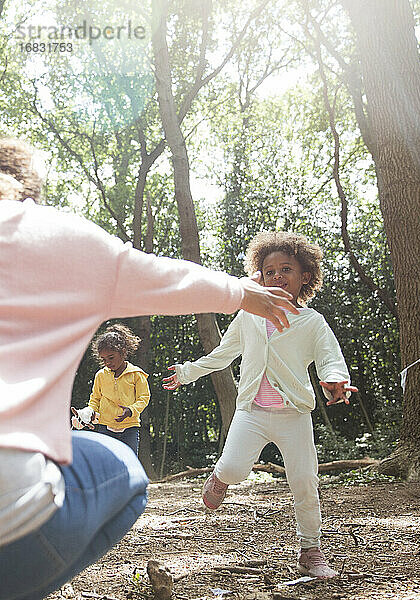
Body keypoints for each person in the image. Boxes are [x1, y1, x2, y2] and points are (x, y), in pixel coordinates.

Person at [0, 137, 299, 600]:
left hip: (139, 423)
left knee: (117, 449)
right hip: (15, 524)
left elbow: (148, 392)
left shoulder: (135, 375)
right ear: (27, 191)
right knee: (122, 469)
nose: (108, 361)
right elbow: (164, 278)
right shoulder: (45, 234)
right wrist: (240, 293)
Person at [163, 231, 358, 579]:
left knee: (304, 481)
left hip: (293, 415)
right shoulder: (249, 316)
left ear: (305, 277)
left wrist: (334, 382)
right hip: (251, 412)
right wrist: (187, 372)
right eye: (269, 271)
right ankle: (220, 477)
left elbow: (330, 358)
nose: (278, 276)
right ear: (260, 277)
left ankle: (310, 550)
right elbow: (223, 354)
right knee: (237, 470)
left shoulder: (312, 322)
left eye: (287, 269)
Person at [71, 324, 150, 455]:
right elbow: (95, 400)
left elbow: (144, 398)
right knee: (106, 462)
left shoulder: (136, 374)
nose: (108, 362)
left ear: (123, 352)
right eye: (104, 359)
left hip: (130, 428)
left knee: (129, 461)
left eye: (111, 357)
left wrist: (131, 410)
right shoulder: (101, 375)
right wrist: (87, 413)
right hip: (105, 428)